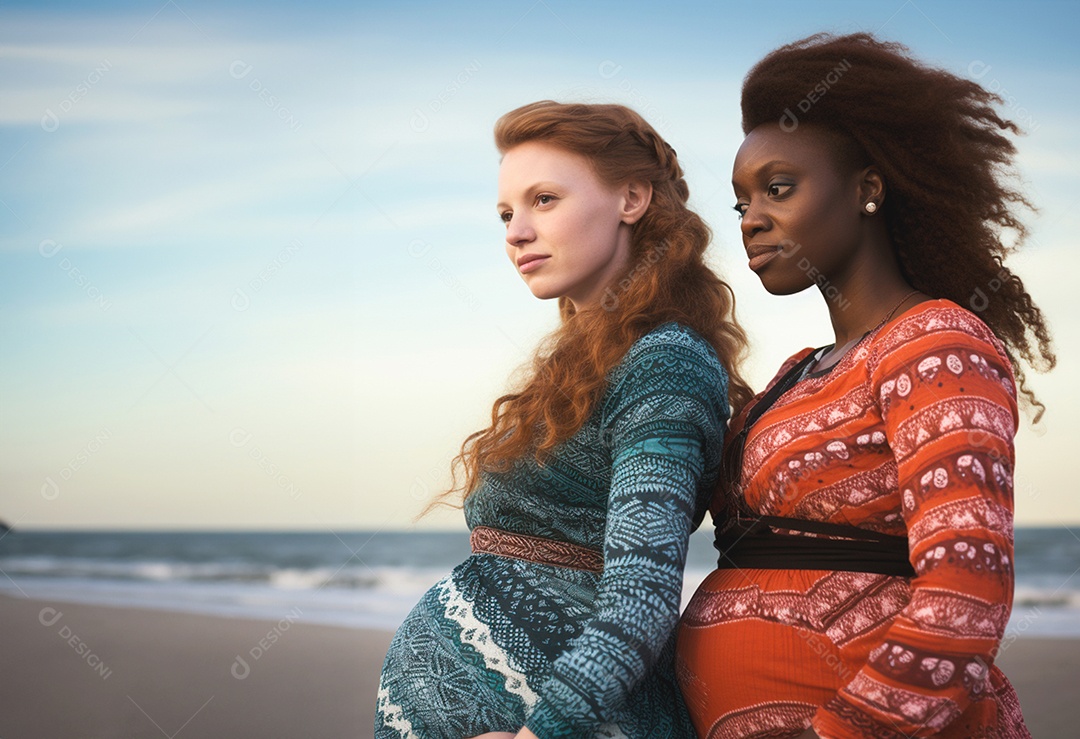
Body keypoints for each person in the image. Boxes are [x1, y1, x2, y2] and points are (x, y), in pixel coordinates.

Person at [676, 33, 1054, 739]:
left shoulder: (935, 341)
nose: (752, 218)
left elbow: (966, 585)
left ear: (867, 191)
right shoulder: (794, 372)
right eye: (741, 203)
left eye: (778, 188)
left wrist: (839, 733)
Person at [375, 100, 752, 739]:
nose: (515, 231)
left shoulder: (664, 364)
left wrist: (541, 735)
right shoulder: (591, 361)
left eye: (543, 200)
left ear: (632, 198)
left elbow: (641, 597)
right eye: (505, 213)